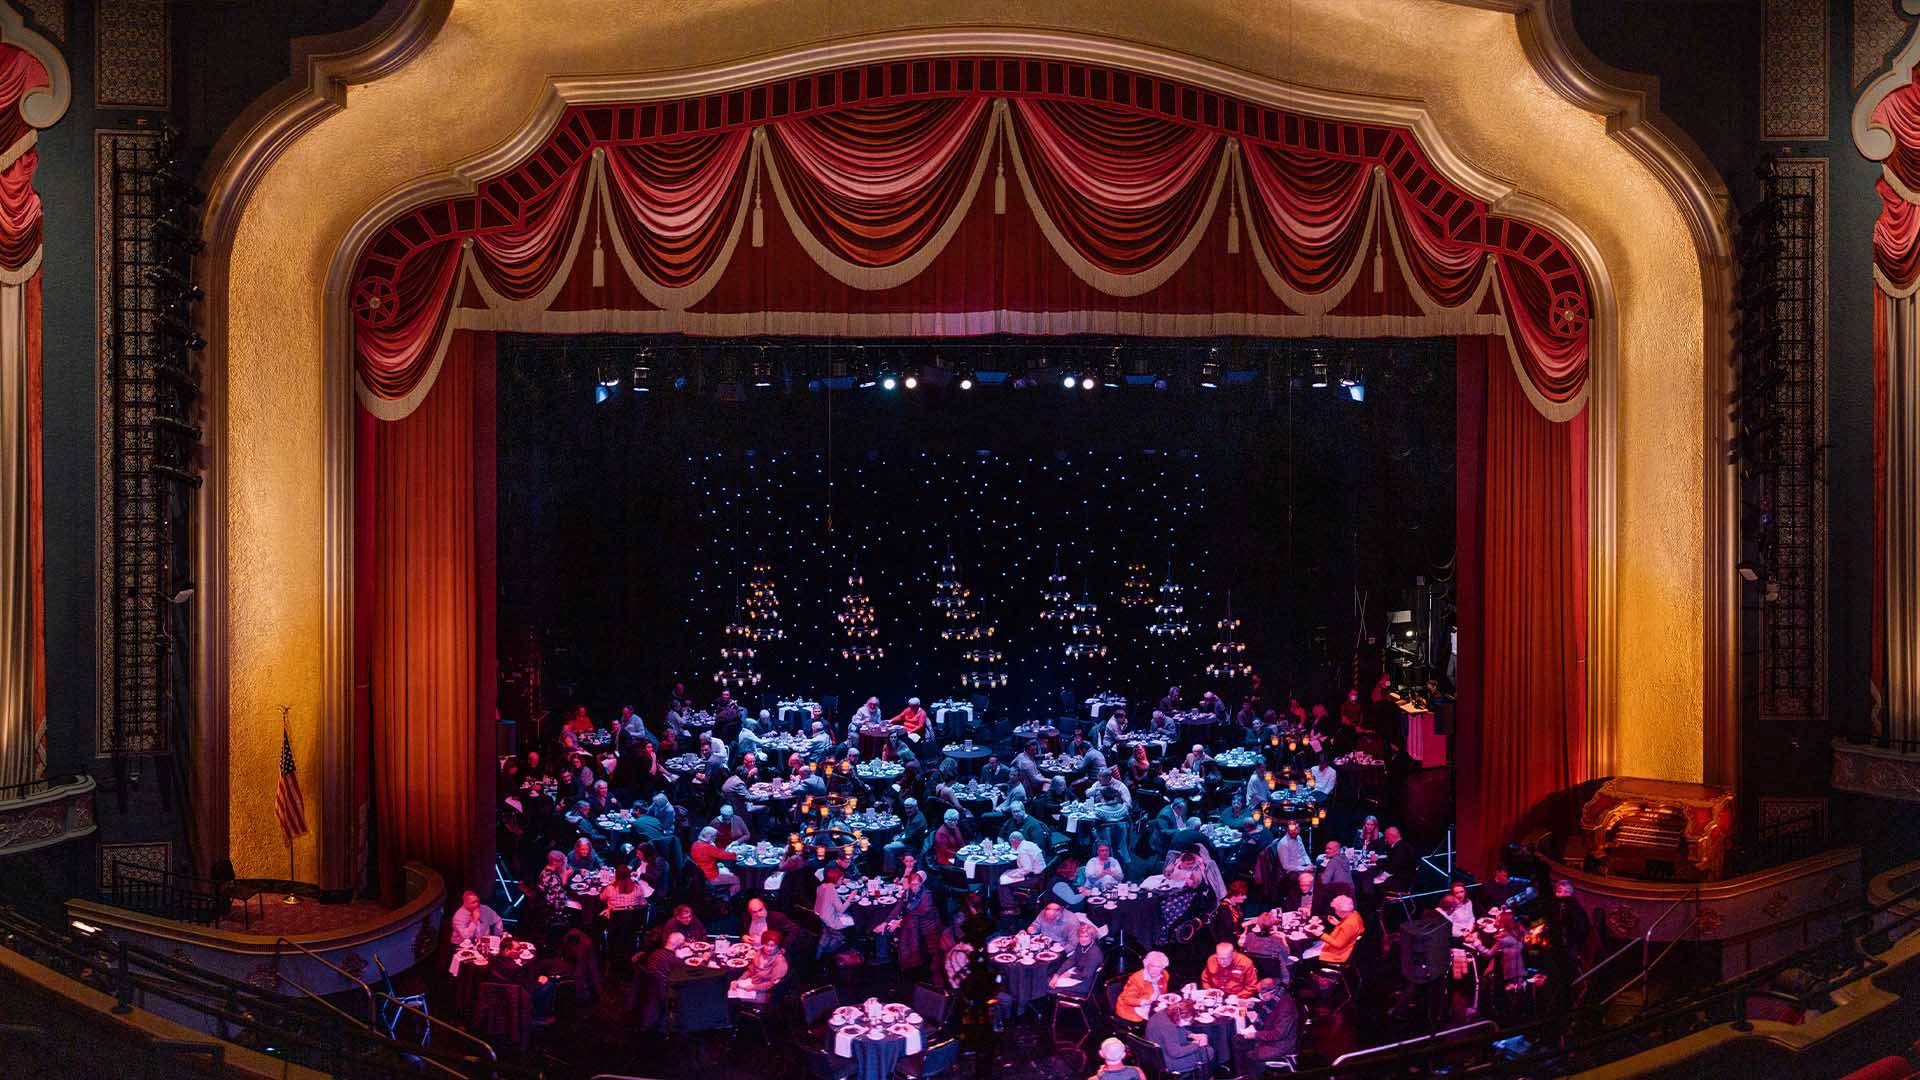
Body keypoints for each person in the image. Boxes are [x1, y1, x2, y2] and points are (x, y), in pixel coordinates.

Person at [1393, 897, 1454, 1026]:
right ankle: (1434, 1016)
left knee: (1418, 985)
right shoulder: (1442, 922)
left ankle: (1402, 1009)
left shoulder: (1428, 912)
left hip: (1414, 954)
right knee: (1422, 986)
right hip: (1426, 960)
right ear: (1451, 908)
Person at [1236, 977, 1300, 1065]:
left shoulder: (1286, 1007)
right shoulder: (1277, 996)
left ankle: (1251, 1072)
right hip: (1271, 1034)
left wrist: (1255, 1035)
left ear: (1270, 992)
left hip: (1280, 1044)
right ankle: (1240, 1068)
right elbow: (1268, 1007)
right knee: (1238, 1039)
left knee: (1248, 1051)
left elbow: (1278, 1034)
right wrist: (1252, 1004)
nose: (1259, 996)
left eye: (1261, 994)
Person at [1145, 998, 1214, 1073]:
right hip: (1166, 1061)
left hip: (1156, 1052)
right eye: (1188, 1020)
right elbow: (1175, 1053)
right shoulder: (1168, 1028)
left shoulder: (1165, 1013)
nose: (1189, 1023)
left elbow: (1177, 1027)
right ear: (1180, 1016)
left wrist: (1191, 1035)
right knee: (1207, 1051)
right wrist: (1197, 1044)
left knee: (1200, 1048)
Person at [729, 931, 789, 1004]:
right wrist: (739, 981)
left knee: (733, 997)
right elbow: (750, 971)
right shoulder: (760, 953)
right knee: (732, 989)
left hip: (766, 992)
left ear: (777, 945)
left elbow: (773, 984)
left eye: (772, 945)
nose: (769, 948)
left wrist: (754, 987)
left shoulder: (780, 961)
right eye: (766, 945)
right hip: (752, 983)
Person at [1115, 950, 1172, 1023]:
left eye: (1159, 967)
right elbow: (1127, 999)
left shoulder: (1164, 975)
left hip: (1154, 1005)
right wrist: (1145, 1002)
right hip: (1133, 1008)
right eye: (1153, 966)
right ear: (1146, 964)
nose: (1155, 970)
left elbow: (1163, 992)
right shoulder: (1137, 979)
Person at [1051, 919, 1104, 991]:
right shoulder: (1081, 945)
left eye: (1086, 936)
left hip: (1086, 982)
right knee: (1052, 978)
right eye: (1081, 937)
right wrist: (1058, 974)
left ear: (1092, 937)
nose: (1083, 939)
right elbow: (1072, 960)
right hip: (1078, 972)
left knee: (1053, 988)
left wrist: (1070, 975)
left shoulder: (1094, 953)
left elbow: (1087, 975)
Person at [1309, 894, 1363, 965]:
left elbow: (1338, 944)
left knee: (1306, 954)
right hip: (1346, 946)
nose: (1335, 912)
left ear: (1343, 911)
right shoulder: (1355, 914)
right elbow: (1348, 932)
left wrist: (1320, 934)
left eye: (1336, 910)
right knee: (1314, 945)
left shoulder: (1349, 924)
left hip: (1340, 953)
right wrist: (1338, 924)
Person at [814, 865, 856, 953]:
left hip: (821, 919)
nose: (842, 880)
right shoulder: (831, 890)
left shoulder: (822, 886)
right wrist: (850, 898)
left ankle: (818, 957)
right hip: (831, 921)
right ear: (835, 880)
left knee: (825, 937)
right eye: (841, 879)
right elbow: (841, 910)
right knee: (854, 920)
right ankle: (843, 949)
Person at [689, 826, 740, 896]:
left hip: (703, 874)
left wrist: (716, 864)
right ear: (710, 837)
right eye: (714, 836)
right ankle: (729, 900)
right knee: (737, 879)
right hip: (710, 877)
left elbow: (703, 859)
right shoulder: (708, 847)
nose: (715, 838)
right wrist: (739, 853)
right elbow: (725, 856)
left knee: (726, 870)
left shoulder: (695, 844)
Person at [886, 797, 930, 873]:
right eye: (906, 808)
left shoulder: (918, 820)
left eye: (910, 808)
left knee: (887, 848)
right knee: (890, 838)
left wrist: (898, 839)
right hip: (909, 840)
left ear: (916, 807)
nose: (907, 810)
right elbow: (907, 830)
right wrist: (900, 835)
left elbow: (909, 838)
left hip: (912, 845)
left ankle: (891, 871)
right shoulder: (915, 814)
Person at [1378, 825, 1418, 893]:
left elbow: (1391, 868)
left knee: (1373, 883)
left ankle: (1378, 902)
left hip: (1401, 882)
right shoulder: (1405, 845)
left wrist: (1377, 862)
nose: (1386, 840)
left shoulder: (1399, 849)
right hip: (1406, 878)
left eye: (1386, 837)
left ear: (1391, 837)